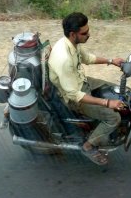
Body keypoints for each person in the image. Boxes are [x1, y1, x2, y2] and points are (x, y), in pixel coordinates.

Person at [48, 12, 125, 166]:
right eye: (84, 33)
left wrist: (111, 61)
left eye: (88, 30)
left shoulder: (72, 44)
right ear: (72, 34)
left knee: (117, 90)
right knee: (113, 117)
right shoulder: (64, 59)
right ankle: (88, 145)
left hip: (82, 81)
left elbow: (87, 58)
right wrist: (107, 103)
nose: (88, 35)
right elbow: (74, 95)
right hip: (74, 97)